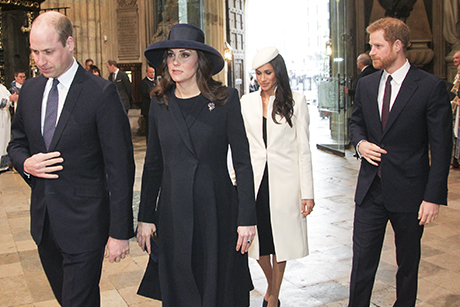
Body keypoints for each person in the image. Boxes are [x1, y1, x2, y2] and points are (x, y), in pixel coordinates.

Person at [7, 11, 135, 306]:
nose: (40, 61)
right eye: (35, 52)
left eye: (49, 52)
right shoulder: (30, 91)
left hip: (86, 225)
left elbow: (120, 167)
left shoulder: (100, 93)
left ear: (70, 43)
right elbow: (17, 143)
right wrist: (25, 163)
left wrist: (119, 233)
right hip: (44, 225)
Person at [136, 23, 256, 307]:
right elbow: (153, 164)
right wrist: (145, 216)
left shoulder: (225, 100)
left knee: (217, 284)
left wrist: (247, 218)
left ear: (200, 61)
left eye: (184, 55)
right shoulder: (160, 102)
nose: (175, 62)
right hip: (173, 210)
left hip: (216, 208)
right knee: (179, 284)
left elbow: (243, 161)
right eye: (171, 55)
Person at [348, 17, 452, 307]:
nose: (372, 52)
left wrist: (433, 197)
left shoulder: (430, 87)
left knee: (407, 263)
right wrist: (360, 143)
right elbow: (356, 123)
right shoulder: (367, 85)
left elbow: (442, 147)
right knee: (362, 262)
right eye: (371, 46)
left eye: (378, 46)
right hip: (370, 190)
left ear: (398, 45)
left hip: (410, 191)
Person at [240, 46, 315, 307]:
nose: (263, 78)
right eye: (258, 73)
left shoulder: (296, 101)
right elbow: (239, 145)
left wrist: (308, 193)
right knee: (257, 243)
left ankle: (272, 298)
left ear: (278, 72)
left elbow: (303, 149)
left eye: (268, 72)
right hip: (255, 180)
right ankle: (273, 286)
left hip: (285, 182)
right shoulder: (246, 102)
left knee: (279, 240)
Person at [140, 66, 156, 141]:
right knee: (148, 127)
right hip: (147, 108)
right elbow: (145, 93)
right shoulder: (144, 82)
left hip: (155, 108)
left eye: (153, 72)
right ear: (147, 73)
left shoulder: (155, 82)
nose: (152, 74)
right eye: (150, 72)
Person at [0, 84, 13, 172]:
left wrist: (13, 98)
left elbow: (9, 97)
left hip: (4, 118)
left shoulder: (2, 87)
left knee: (4, 141)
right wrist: (9, 99)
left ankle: (4, 165)